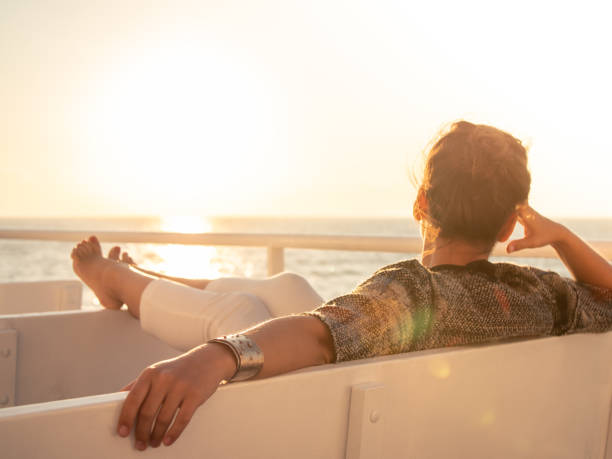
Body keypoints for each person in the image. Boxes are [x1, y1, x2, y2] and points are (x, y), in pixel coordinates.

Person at [71, 121, 612, 451]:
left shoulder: (413, 294)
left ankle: (119, 279)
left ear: (421, 203)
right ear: (506, 225)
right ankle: (148, 280)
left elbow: (318, 336)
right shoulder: (539, 294)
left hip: (324, 396)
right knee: (289, 284)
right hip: (405, 385)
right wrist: (562, 237)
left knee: (237, 311)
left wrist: (213, 358)